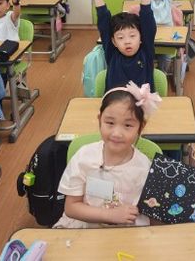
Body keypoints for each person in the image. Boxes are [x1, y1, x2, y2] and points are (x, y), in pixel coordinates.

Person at [53, 82, 161, 228]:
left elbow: (151, 213)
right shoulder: (84, 157)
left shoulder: (145, 167)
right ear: (100, 120)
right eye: (110, 123)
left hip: (125, 233)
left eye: (128, 125)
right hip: (85, 230)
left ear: (141, 127)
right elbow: (71, 207)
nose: (117, 133)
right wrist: (109, 215)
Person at [93, 0, 157, 92]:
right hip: (115, 102)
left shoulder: (146, 52)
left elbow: (147, 18)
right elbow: (104, 21)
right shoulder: (112, 53)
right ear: (114, 42)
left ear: (141, 38)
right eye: (120, 37)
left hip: (142, 103)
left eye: (132, 36)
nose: (127, 41)